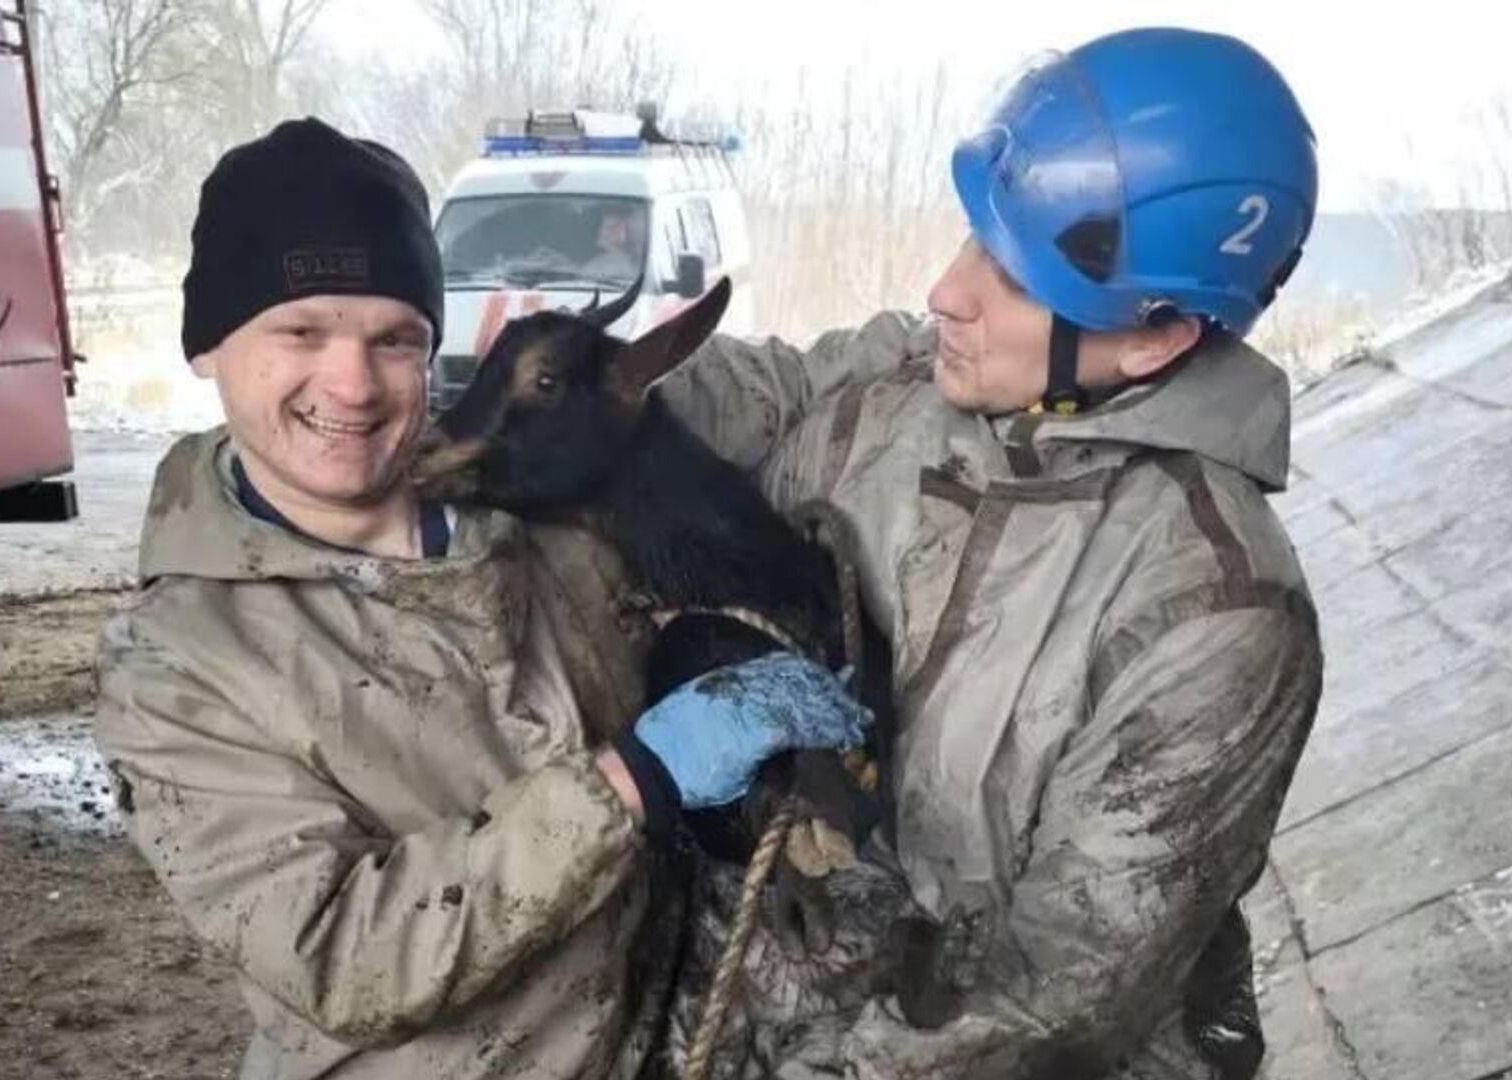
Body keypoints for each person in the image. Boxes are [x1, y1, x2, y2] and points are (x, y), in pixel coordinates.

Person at [91, 118, 867, 1080]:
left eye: (394, 339)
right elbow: (343, 958)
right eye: (300, 331)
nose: (352, 381)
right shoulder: (179, 671)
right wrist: (637, 779)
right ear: (208, 346)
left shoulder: (536, 499)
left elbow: (778, 382)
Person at [657, 28, 1326, 1079]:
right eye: (973, 235)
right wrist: (539, 385)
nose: (945, 291)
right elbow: (756, 394)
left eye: (1011, 273)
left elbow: (1052, 1000)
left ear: (1152, 338)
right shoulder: (899, 398)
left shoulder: (1215, 613)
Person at [582, 204, 645, 282]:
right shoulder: (597, 267)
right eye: (613, 227)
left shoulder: (645, 260)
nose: (624, 230)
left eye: (626, 226)